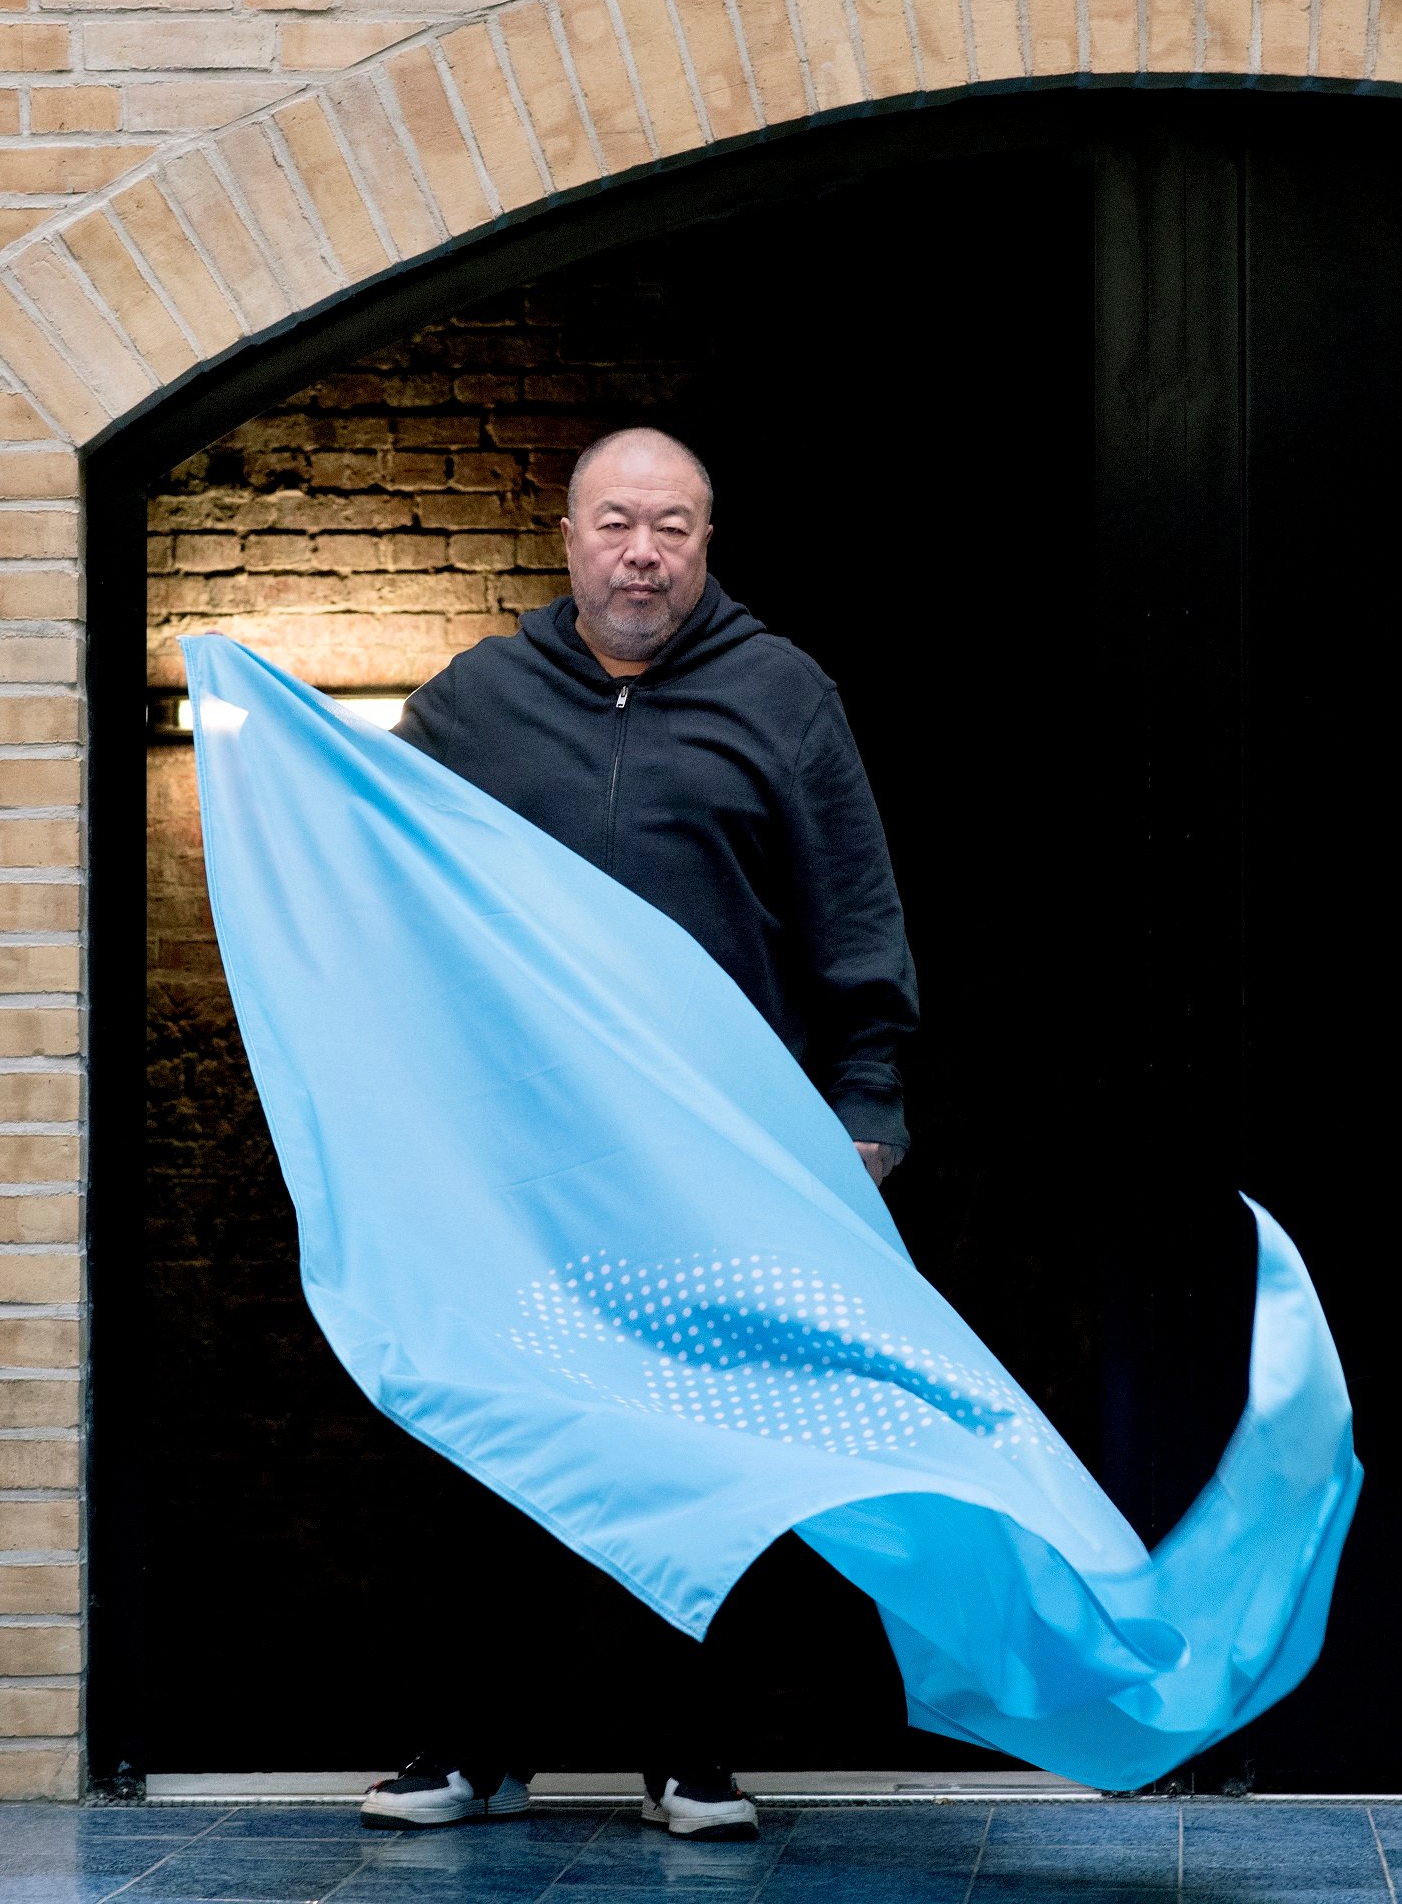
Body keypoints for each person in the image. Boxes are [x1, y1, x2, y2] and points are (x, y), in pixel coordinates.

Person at [360, 427, 920, 1841]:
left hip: (714, 1163)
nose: (642, 553)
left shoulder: (784, 697)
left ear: (707, 544)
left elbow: (856, 919)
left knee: (708, 1456)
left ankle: (692, 1757)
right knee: (491, 1443)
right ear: (566, 537)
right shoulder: (478, 702)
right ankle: (470, 1754)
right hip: (518, 1167)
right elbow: (371, 879)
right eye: (617, 523)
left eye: (672, 527)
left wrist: (867, 1111)